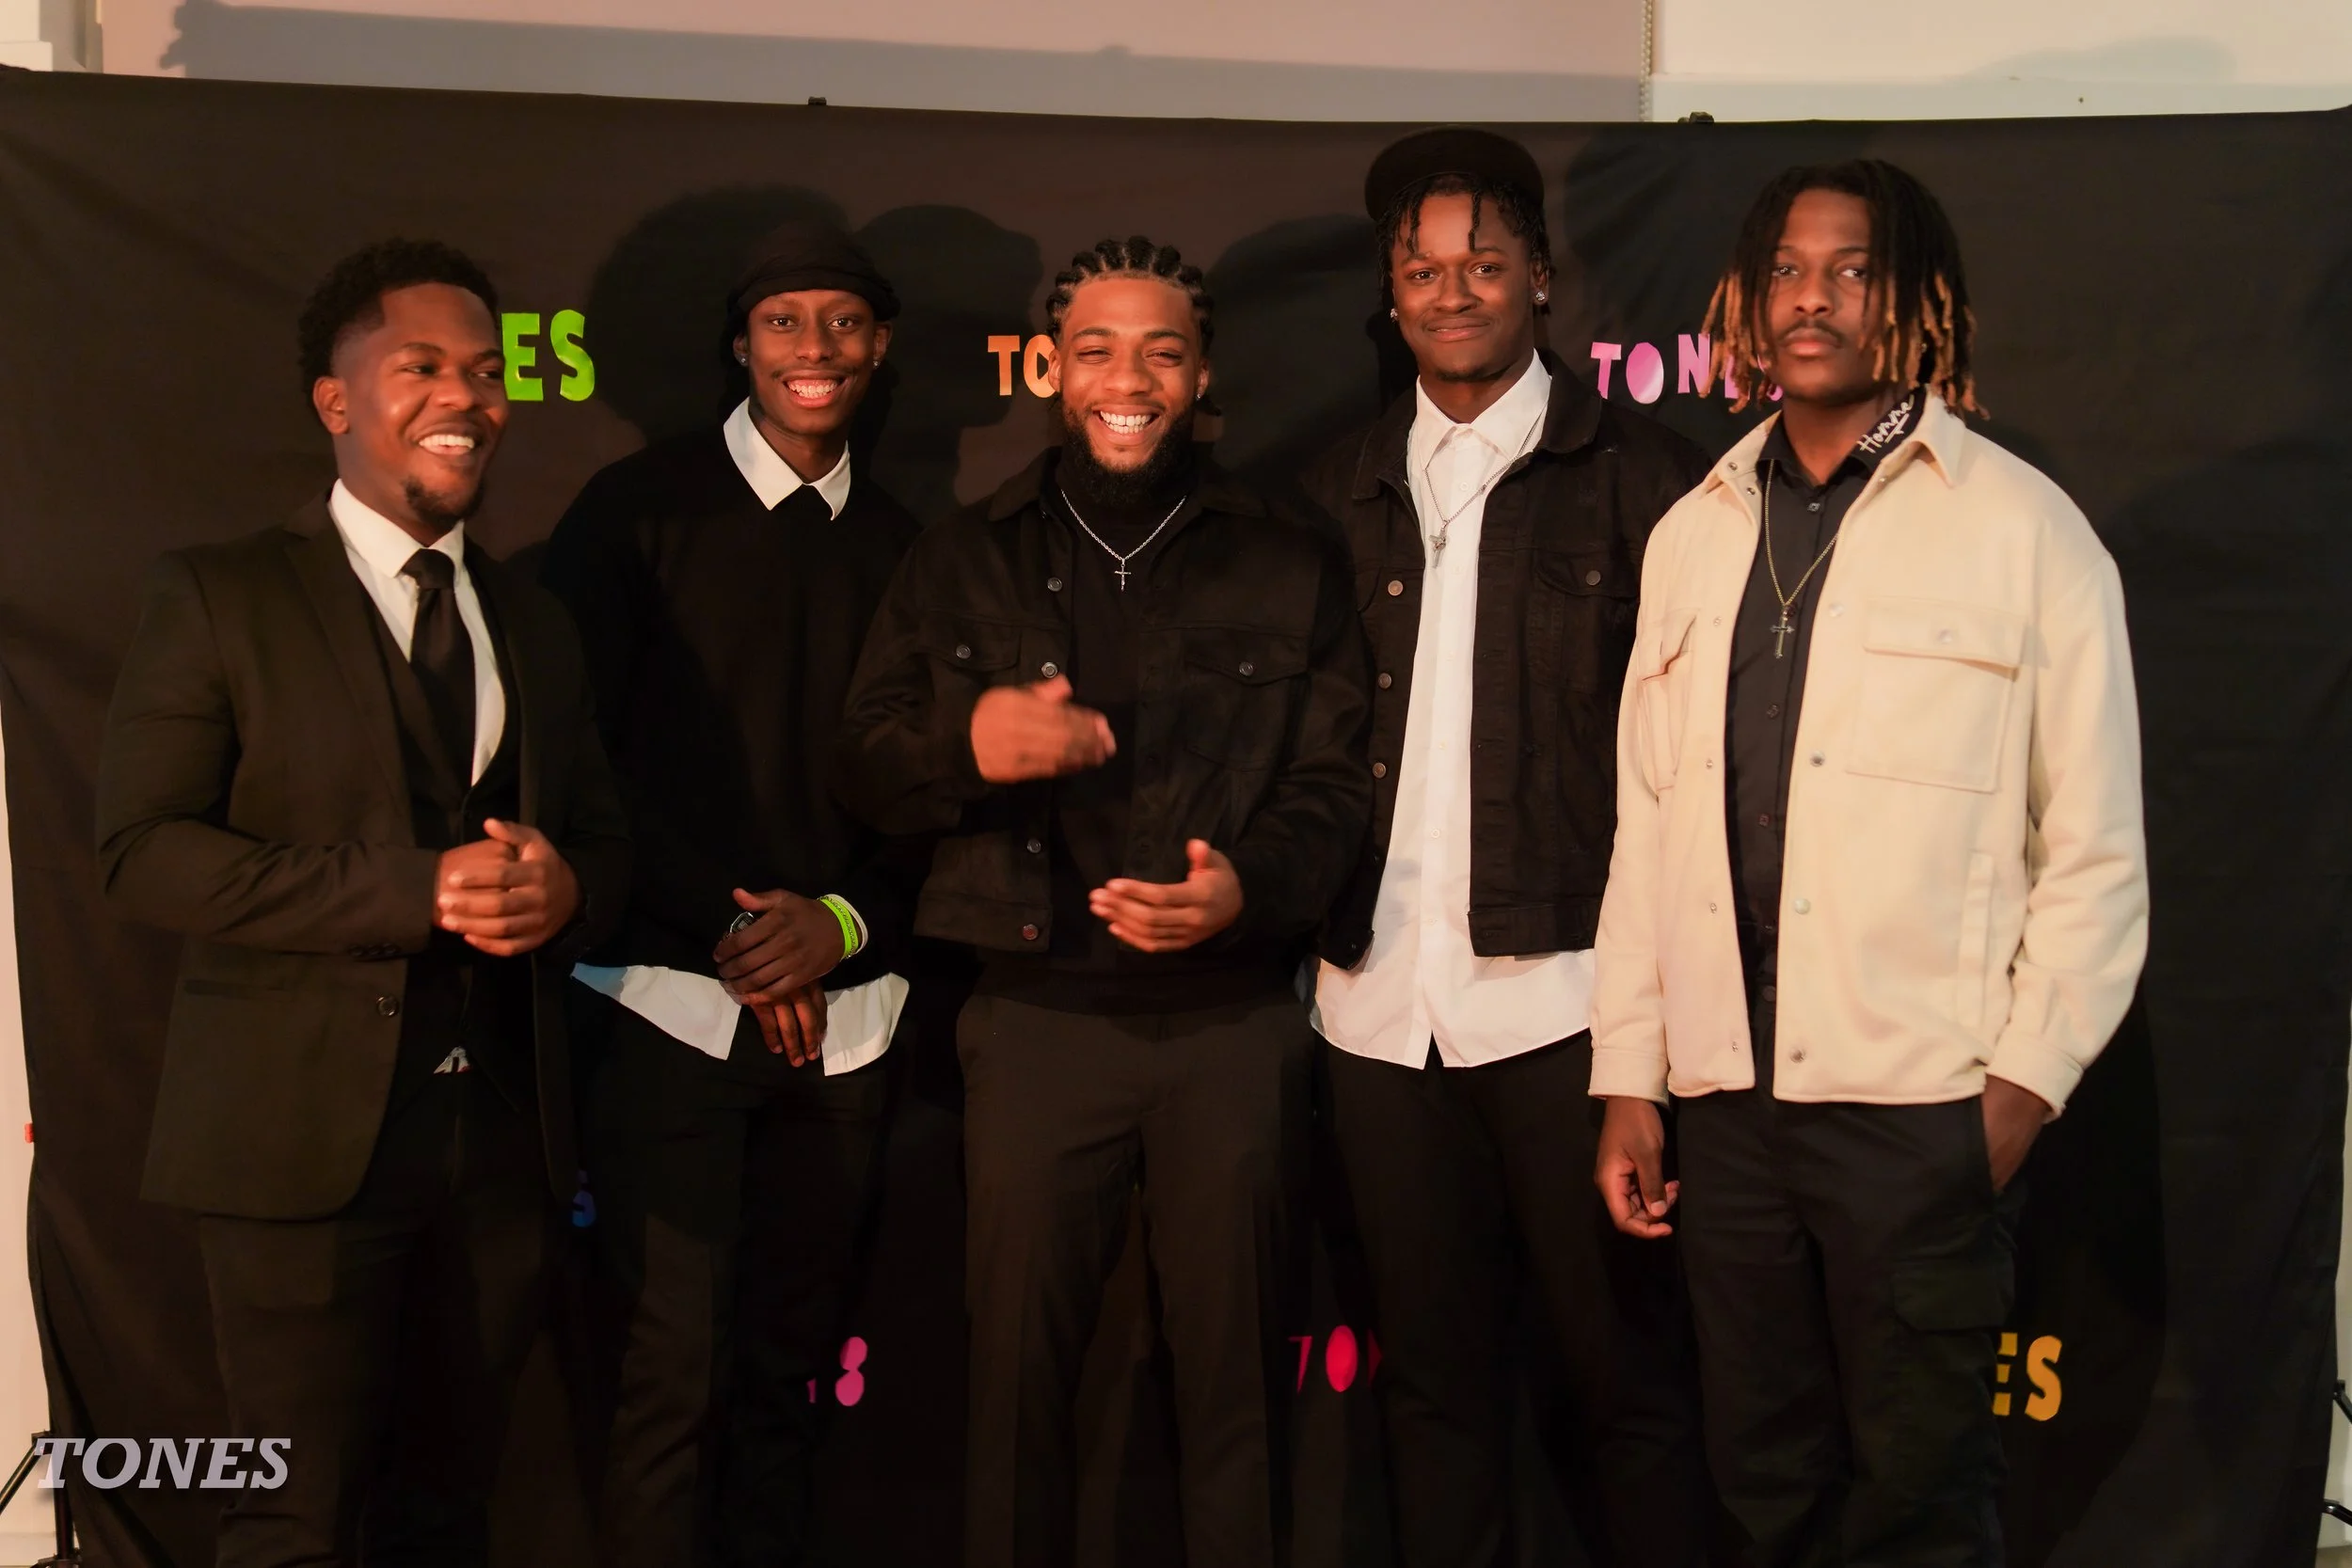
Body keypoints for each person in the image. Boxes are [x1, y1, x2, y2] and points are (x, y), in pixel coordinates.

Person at [1590, 160, 2149, 1566]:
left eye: (1851, 269)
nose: (1812, 297)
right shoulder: (1691, 534)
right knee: (1761, 1486)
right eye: (1787, 267)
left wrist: (2015, 1095)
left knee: (1920, 1500)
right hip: (1726, 1107)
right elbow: (1646, 833)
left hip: (1921, 1112)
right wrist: (1629, 1074)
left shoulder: (2025, 530)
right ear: (1747, 295)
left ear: (1910, 299)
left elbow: (2095, 853)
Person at [834, 235, 1372, 1568]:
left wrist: (1250, 891)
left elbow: (1337, 784)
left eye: (1162, 350)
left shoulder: (1288, 552)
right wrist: (973, 747)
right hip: (1029, 1027)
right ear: (1052, 369)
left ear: (1201, 376)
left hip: (1233, 1027)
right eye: (1097, 349)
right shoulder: (964, 557)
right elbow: (865, 764)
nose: (1127, 377)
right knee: (1013, 1388)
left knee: (1239, 1388)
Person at [94, 239, 630, 1564]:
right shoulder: (221, 594)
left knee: (455, 1508)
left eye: (489, 370)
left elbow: (612, 852)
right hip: (295, 1144)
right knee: (296, 1515)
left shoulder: (536, 619)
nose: (470, 394)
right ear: (337, 402)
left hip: (503, 1143)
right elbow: (140, 852)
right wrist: (409, 889)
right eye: (424, 367)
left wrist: (568, 886)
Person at [1302, 126, 1715, 1568]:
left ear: (1542, 275)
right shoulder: (1334, 489)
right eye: (1424, 266)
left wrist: (1648, 1053)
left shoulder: (1657, 479)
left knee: (1629, 1394)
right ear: (1390, 289)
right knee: (1429, 1393)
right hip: (1374, 1012)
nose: (1453, 289)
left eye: (1484, 261)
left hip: (1575, 1010)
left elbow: (1693, 781)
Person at [539, 221, 928, 1567]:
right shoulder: (632, 513)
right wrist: (739, 936)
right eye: (782, 322)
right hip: (661, 1006)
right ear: (739, 346)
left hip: (851, 1027)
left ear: (878, 348)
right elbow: (569, 756)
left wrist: (834, 931)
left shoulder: (912, 545)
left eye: (841, 322)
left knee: (786, 1386)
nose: (812, 350)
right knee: (666, 1386)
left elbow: (940, 792)